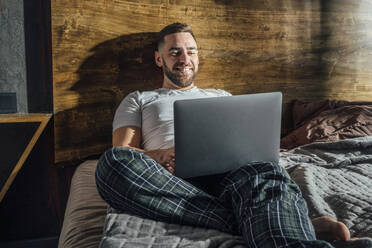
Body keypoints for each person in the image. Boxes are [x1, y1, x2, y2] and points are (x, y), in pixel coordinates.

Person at [95, 23, 367, 248]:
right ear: (159, 59)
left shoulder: (220, 96)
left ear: (198, 56)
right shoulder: (139, 99)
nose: (184, 59)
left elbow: (246, 141)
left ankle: (274, 223)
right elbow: (124, 151)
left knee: (264, 173)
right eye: (175, 52)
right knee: (111, 165)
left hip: (231, 174)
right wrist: (160, 155)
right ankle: (290, 223)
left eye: (191, 51)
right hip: (168, 179)